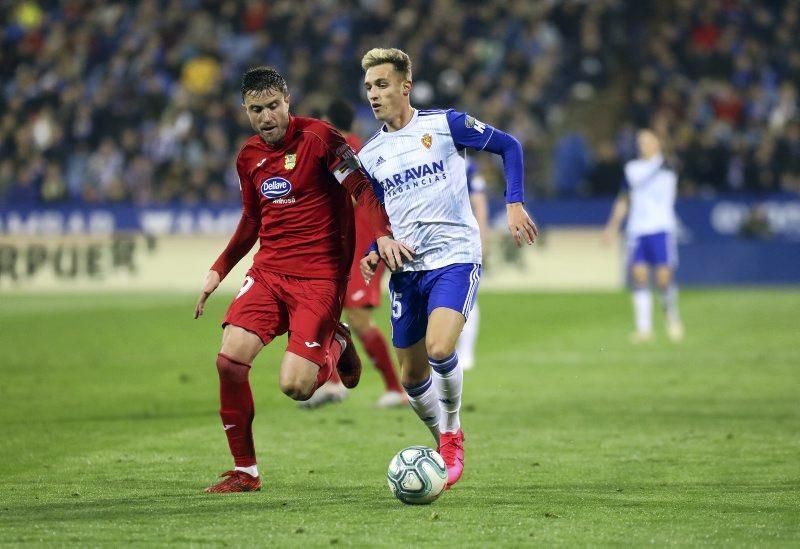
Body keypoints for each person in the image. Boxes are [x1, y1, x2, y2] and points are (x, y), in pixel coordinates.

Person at [193, 67, 409, 493]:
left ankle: (338, 341)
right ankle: (245, 472)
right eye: (257, 109)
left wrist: (382, 234)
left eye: (273, 106)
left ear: (287, 101)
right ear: (246, 111)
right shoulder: (248, 157)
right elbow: (252, 220)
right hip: (270, 271)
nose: (267, 117)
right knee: (228, 360)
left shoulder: (322, 139)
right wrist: (219, 268)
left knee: (297, 387)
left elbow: (363, 190)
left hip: (320, 278)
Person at [357, 48, 537, 488]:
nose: (374, 95)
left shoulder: (445, 125)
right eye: (368, 88)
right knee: (411, 376)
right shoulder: (372, 154)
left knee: (439, 349)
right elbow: (375, 215)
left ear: (405, 86)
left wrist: (513, 203)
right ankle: (441, 437)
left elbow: (508, 146)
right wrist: (373, 247)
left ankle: (452, 433)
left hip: (455, 257)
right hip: (407, 271)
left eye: (382, 85)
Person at [300, 99, 407, 409]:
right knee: (324, 313)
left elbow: (356, 195)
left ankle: (395, 388)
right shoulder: (358, 146)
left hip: (362, 245)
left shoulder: (346, 149)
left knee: (358, 318)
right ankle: (332, 383)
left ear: (327, 122)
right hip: (345, 246)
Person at [603, 129, 684, 343]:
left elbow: (676, 158)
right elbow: (623, 199)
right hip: (637, 229)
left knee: (663, 278)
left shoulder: (668, 166)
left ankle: (671, 317)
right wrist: (612, 226)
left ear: (658, 143)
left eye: (647, 141)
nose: (643, 145)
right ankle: (644, 329)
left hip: (661, 227)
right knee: (639, 275)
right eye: (640, 142)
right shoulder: (632, 169)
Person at [455, 157, 489, 371]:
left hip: (463, 240)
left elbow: (480, 203)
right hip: (440, 241)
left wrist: (482, 239)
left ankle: (466, 353)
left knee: (468, 298)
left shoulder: (466, 166)